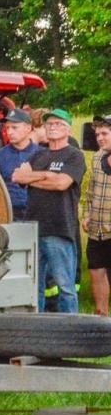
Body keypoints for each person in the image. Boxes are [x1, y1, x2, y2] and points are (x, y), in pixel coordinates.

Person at [10, 108, 84, 313]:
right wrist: (47, 176)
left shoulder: (74, 155)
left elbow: (62, 184)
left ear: (68, 129)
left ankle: (71, 328)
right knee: (34, 286)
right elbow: (17, 177)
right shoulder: (38, 155)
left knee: (65, 286)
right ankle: (37, 325)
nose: (52, 127)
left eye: (58, 124)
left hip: (59, 227)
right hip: (33, 227)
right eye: (49, 124)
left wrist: (33, 178)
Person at [82, 115, 111, 317]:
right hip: (97, 228)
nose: (100, 138)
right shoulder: (97, 157)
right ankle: (102, 318)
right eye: (97, 134)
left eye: (105, 134)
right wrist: (86, 214)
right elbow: (90, 191)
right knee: (96, 271)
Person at [0, 108, 38, 219]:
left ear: (28, 128)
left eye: (14, 127)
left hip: (36, 214)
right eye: (7, 128)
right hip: (8, 214)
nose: (9, 132)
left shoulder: (42, 154)